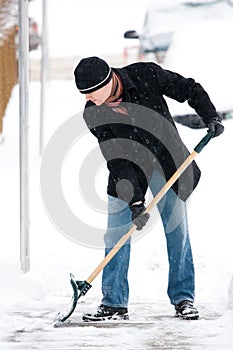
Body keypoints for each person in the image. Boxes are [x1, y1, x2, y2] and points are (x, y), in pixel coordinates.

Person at [73, 56, 224, 321]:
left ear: (108, 81)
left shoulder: (146, 75)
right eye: (84, 95)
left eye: (92, 92)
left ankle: (183, 298)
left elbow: (188, 88)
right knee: (116, 234)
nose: (89, 99)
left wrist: (209, 115)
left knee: (177, 231)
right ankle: (114, 304)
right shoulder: (93, 112)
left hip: (169, 165)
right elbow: (117, 157)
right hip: (128, 173)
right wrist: (134, 201)